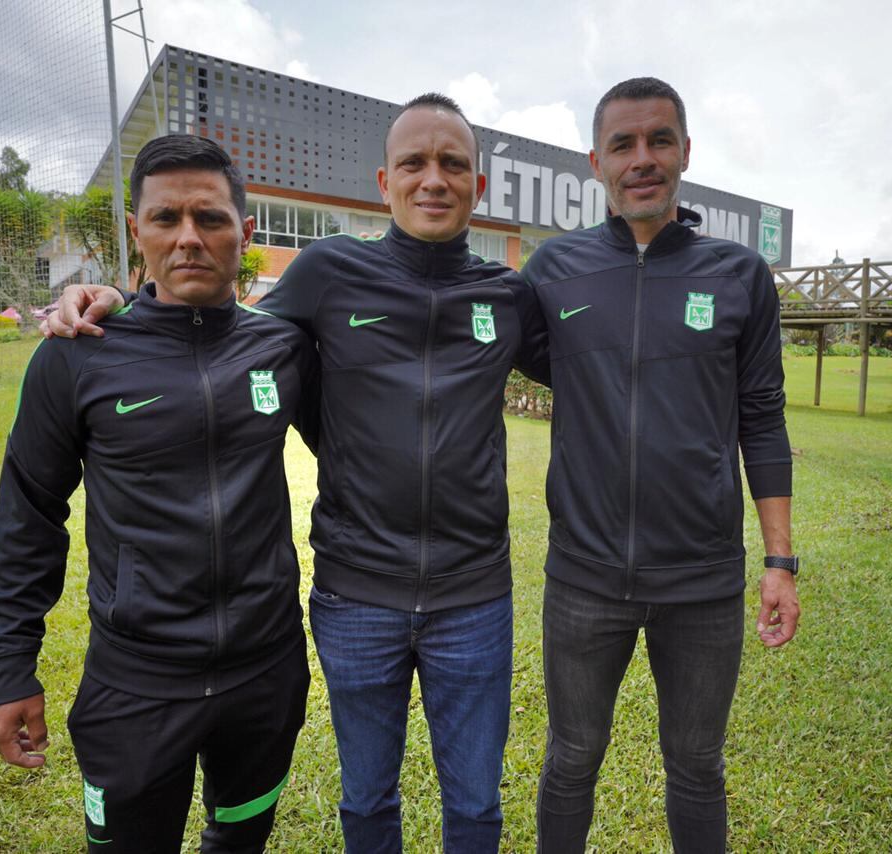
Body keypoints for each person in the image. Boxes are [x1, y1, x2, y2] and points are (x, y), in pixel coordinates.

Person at [42, 94, 549, 853]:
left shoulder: (508, 295)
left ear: (478, 187)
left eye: (453, 164)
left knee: (476, 805)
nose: (433, 179)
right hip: (356, 597)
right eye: (414, 163)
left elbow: (603, 358)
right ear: (385, 181)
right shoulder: (327, 272)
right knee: (366, 801)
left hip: (474, 597)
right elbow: (219, 326)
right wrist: (123, 298)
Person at [0, 134, 315, 853]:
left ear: (245, 233)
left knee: (240, 843)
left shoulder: (283, 347)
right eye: (166, 219)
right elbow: (30, 513)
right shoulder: (76, 352)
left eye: (211, 218)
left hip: (267, 672)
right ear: (137, 231)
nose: (189, 238)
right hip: (136, 683)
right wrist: (13, 668)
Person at [522, 77, 799, 853]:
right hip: (583, 578)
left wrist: (780, 561)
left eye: (659, 141)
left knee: (697, 767)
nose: (642, 159)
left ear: (683, 152)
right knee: (571, 760)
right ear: (596, 162)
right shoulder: (552, 272)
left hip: (704, 582)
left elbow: (762, 419)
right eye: (623, 144)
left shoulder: (739, 275)